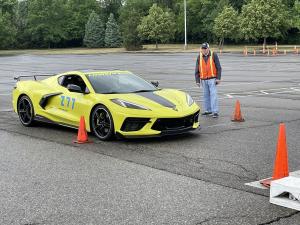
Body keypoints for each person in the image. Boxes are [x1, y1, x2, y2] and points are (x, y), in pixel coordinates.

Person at [195, 42, 222, 118]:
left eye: (205, 48)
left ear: (208, 48)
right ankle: (208, 110)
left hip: (212, 79)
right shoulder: (199, 56)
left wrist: (218, 78)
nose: (204, 50)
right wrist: (197, 80)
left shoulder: (214, 55)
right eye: (202, 49)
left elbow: (219, 67)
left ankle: (215, 111)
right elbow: (197, 69)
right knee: (205, 96)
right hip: (203, 80)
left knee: (213, 95)